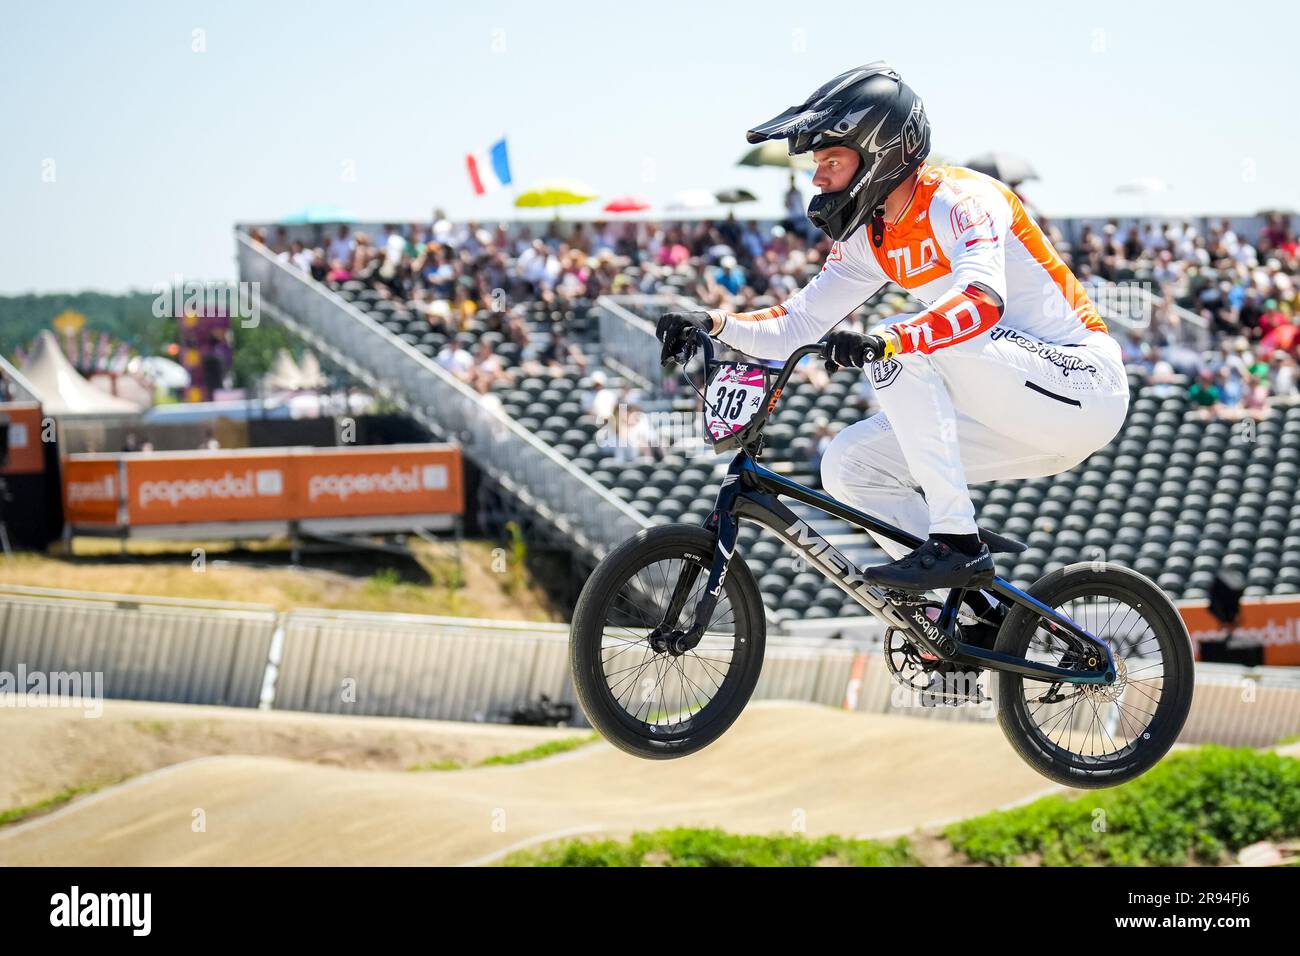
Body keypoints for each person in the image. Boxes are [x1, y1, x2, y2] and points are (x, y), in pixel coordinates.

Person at [656, 62, 1129, 612]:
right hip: (1013, 410)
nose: (817, 178)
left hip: (1083, 385)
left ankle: (956, 542)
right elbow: (796, 325)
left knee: (900, 343)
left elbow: (981, 303)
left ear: (879, 152)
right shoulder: (871, 237)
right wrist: (713, 324)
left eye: (830, 160)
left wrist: (888, 341)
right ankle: (966, 612)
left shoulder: (961, 199)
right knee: (848, 463)